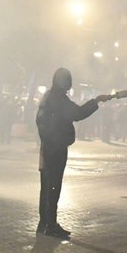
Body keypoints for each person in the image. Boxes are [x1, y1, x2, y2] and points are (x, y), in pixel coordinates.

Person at [34, 67, 111, 238]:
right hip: (56, 148)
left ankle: (44, 223)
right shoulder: (58, 99)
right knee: (54, 186)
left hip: (47, 147)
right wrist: (96, 101)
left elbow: (40, 121)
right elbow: (78, 113)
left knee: (46, 186)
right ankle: (51, 225)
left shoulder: (48, 97)